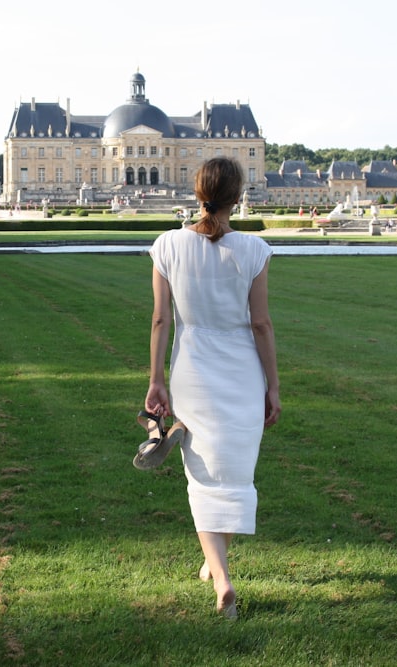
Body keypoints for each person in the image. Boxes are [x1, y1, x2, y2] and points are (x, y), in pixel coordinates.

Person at [144, 156, 281, 619]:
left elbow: (162, 319)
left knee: (201, 472)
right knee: (232, 470)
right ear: (238, 197)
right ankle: (219, 571)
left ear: (196, 192)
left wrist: (156, 379)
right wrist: (274, 386)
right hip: (241, 369)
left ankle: (217, 574)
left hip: (192, 367)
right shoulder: (253, 249)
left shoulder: (167, 245)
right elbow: (261, 324)